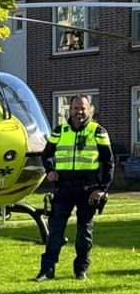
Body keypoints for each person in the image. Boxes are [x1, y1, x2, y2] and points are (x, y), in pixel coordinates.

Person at [35, 96, 113, 281]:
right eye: (76, 108)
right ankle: (47, 271)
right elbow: (46, 154)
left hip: (89, 188)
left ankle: (81, 270)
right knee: (55, 230)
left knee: (84, 232)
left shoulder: (98, 131)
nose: (79, 112)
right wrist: (49, 171)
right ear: (70, 109)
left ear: (90, 109)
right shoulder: (59, 131)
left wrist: (102, 188)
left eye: (83, 108)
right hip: (64, 188)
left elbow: (109, 163)